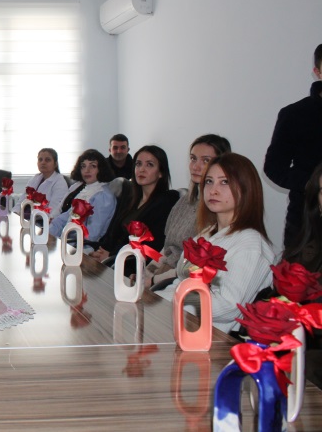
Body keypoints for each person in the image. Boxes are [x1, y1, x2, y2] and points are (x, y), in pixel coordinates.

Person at [157, 153, 276, 334]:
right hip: (177, 319)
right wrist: (156, 300)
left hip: (210, 336)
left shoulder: (251, 244)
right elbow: (181, 281)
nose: (213, 190)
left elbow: (228, 307)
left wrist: (174, 299)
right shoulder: (208, 233)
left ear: (246, 189)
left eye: (225, 182)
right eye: (209, 181)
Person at [144, 135, 231, 289]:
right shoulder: (184, 201)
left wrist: (153, 281)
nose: (195, 167)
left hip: (178, 281)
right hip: (161, 275)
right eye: (193, 159)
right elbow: (167, 248)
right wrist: (146, 273)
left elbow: (191, 268)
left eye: (205, 160)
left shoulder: (216, 210)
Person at [264, 44, 322, 247]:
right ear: (317, 72)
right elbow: (273, 168)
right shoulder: (295, 114)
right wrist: (313, 184)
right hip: (307, 220)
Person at [91, 145, 180, 271]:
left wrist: (111, 255)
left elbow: (153, 246)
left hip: (133, 265)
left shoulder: (167, 200)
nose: (141, 169)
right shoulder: (130, 197)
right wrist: (102, 250)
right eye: (138, 164)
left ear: (161, 172)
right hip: (112, 260)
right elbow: (113, 232)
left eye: (149, 165)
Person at [48, 149, 117, 247]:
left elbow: (92, 235)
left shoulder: (103, 196)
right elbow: (64, 218)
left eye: (92, 166)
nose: (86, 170)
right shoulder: (86, 189)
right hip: (68, 241)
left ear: (101, 169)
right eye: (83, 166)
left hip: (84, 247)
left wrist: (63, 242)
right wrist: (48, 233)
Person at [12, 148, 69, 214]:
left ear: (55, 164)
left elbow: (53, 212)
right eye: (40, 160)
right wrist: (15, 213)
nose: (43, 162)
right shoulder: (35, 178)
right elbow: (21, 202)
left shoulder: (60, 183)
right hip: (27, 216)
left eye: (47, 160)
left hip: (42, 218)